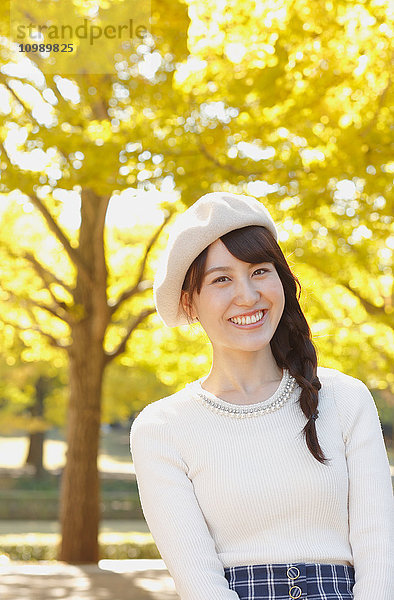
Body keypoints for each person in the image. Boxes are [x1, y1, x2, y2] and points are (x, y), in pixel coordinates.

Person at [130, 192, 393, 600]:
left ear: (281, 280)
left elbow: (379, 550)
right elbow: (199, 582)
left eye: (259, 271)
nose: (248, 296)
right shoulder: (162, 428)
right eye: (221, 279)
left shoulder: (346, 398)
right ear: (189, 302)